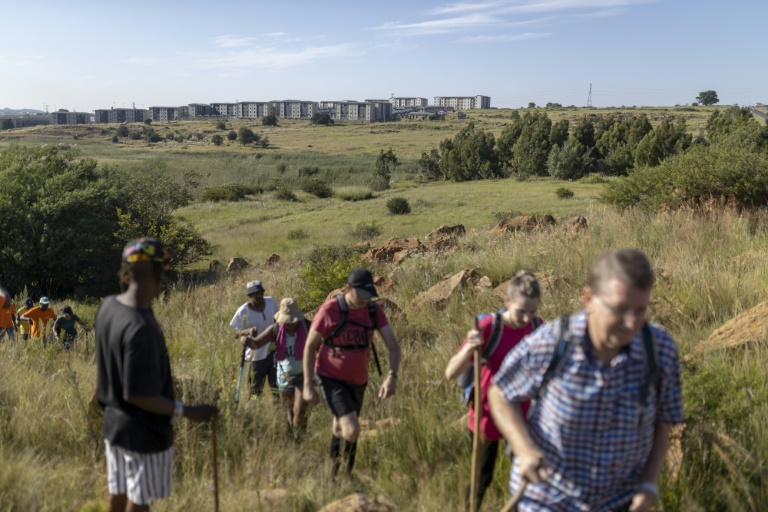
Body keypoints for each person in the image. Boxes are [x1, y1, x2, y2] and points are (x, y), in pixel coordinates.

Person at [488, 249, 684, 512]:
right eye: (620, 309)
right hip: (548, 499)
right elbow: (499, 393)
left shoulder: (659, 350)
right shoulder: (553, 342)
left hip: (618, 501)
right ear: (589, 298)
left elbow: (664, 421)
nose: (631, 322)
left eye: (640, 310)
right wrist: (523, 450)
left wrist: (648, 484)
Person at [95, 237, 218, 512]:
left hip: (114, 425)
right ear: (159, 273)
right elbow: (136, 393)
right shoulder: (141, 327)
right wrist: (188, 411)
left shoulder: (108, 307)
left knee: (118, 491)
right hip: (144, 433)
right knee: (140, 502)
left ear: (126, 271)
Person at [444, 271, 542, 510]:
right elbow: (450, 372)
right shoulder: (489, 326)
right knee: (481, 479)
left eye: (532, 311)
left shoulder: (538, 326)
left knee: (526, 479)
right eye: (521, 311)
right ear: (507, 301)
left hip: (521, 414)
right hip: (485, 415)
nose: (525, 318)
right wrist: (469, 350)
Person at [303, 268, 401, 477]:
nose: (365, 300)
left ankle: (333, 477)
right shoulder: (329, 310)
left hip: (358, 380)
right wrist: (307, 385)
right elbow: (310, 347)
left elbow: (393, 346)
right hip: (330, 377)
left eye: (369, 296)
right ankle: (347, 477)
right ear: (348, 289)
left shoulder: (373, 310)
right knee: (352, 429)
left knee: (341, 428)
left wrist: (392, 376)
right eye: (361, 295)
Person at [241, 297, 314, 440]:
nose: (289, 324)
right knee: (288, 412)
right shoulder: (275, 329)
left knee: (300, 411)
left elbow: (322, 341)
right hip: (284, 378)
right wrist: (247, 340)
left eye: (291, 320)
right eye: (286, 320)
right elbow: (257, 344)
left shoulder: (307, 326)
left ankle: (299, 439)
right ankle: (291, 441)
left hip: (303, 376)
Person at [230, 280, 279, 398]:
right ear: (249, 296)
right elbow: (235, 333)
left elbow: (278, 320)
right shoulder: (243, 311)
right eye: (254, 294)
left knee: (276, 388)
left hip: (273, 353)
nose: (257, 296)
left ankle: (278, 411)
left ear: (263, 292)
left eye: (259, 293)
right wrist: (247, 331)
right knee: (255, 392)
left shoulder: (271, 302)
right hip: (255, 357)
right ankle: (255, 410)